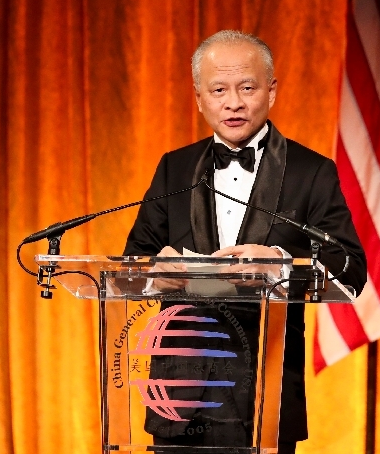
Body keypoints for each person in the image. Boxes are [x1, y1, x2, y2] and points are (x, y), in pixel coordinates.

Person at [124, 30, 367, 454]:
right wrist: (153, 273)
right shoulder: (174, 168)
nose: (233, 102)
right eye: (218, 90)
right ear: (199, 98)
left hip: (265, 393)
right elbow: (132, 263)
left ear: (270, 92)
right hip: (178, 394)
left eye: (247, 88)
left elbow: (350, 268)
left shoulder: (311, 172)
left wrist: (279, 262)